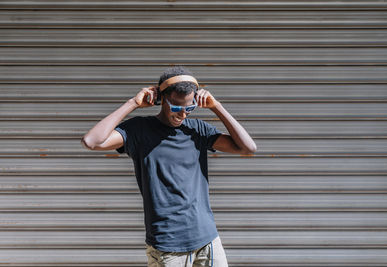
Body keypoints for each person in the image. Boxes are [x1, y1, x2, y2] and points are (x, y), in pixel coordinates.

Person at [81, 66, 257, 267]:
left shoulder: (197, 130)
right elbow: (92, 141)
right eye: (176, 107)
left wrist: (216, 106)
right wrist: (132, 103)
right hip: (167, 246)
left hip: (208, 241)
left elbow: (248, 148)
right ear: (161, 99)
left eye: (189, 108)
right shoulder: (139, 130)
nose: (182, 114)